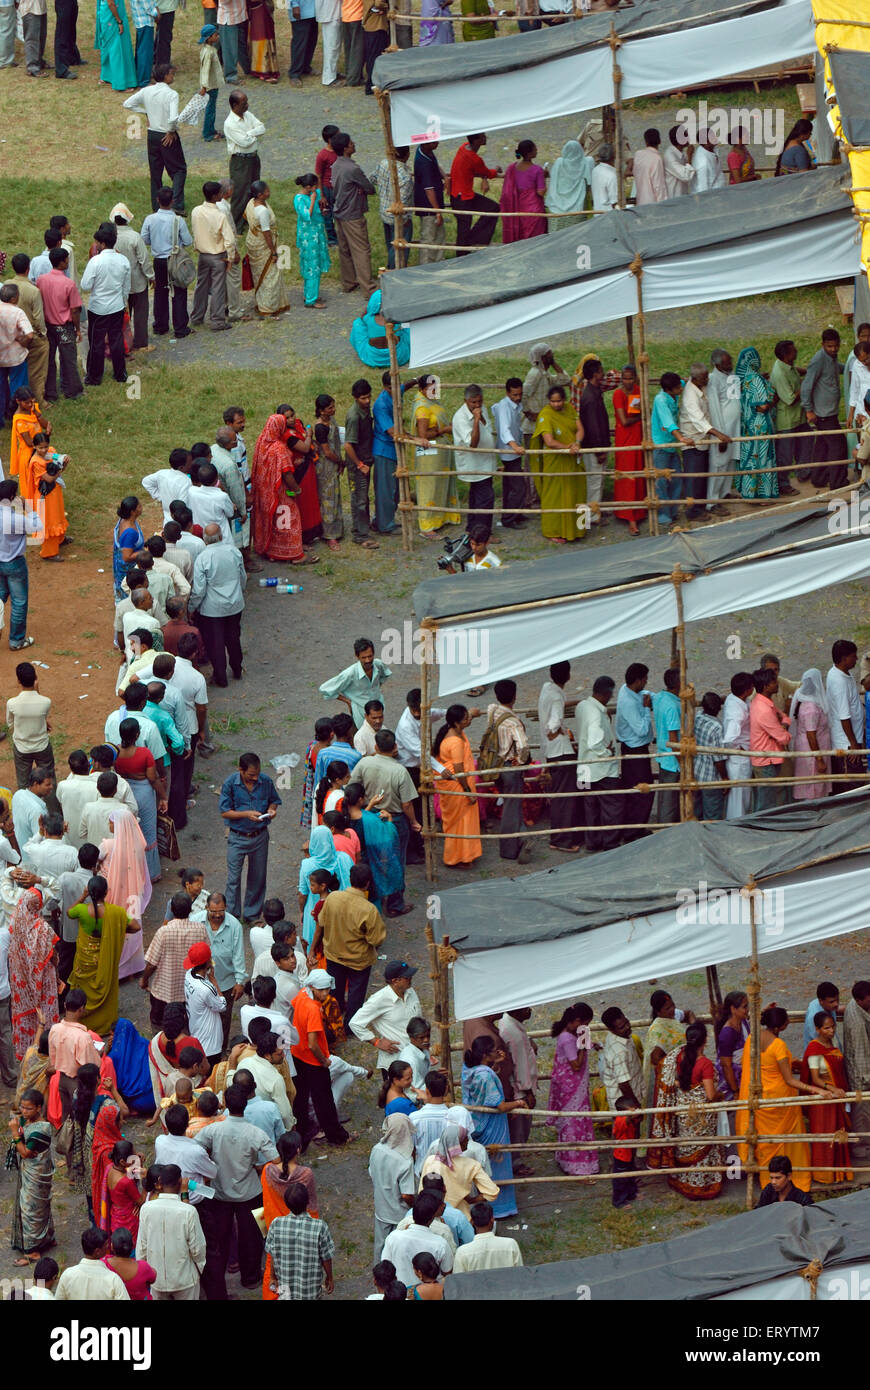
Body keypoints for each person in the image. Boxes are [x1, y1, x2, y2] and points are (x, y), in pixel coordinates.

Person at [736, 1005, 826, 1192]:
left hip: (760, 1102)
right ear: (780, 1027)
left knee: (767, 1143)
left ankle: (770, 1183)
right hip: (781, 1101)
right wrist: (816, 1089)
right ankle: (794, 1179)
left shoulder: (752, 1038)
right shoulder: (778, 1046)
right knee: (788, 1141)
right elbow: (789, 1080)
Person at [649, 1022, 724, 1199]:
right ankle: (703, 1185)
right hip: (700, 1116)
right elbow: (710, 1095)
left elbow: (677, 1082)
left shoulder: (679, 1058)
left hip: (683, 1113)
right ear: (705, 1040)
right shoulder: (704, 1064)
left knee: (686, 1143)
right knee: (704, 1146)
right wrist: (722, 1095)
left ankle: (682, 1180)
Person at [310, 862, 386, 1022]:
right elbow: (376, 939)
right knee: (355, 994)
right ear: (367, 883)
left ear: (350, 879)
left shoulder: (333, 898)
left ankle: (334, 1019)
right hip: (358, 960)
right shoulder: (369, 909)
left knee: (335, 990)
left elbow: (321, 921)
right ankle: (351, 1024)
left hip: (333, 955)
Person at [67, 877, 141, 1035]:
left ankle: (82, 1020)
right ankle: (103, 1024)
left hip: (84, 961)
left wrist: (82, 897)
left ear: (90, 892)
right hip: (104, 960)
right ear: (106, 892)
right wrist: (118, 929)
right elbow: (136, 926)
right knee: (105, 986)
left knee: (83, 988)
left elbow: (69, 913)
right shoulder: (116, 913)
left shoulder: (81, 910)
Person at [461, 1034, 523, 1218]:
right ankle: (500, 1206)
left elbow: (483, 1086)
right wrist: (519, 1103)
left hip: (477, 1120)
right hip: (493, 1124)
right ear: (487, 1054)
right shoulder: (485, 1075)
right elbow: (500, 1104)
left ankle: (483, 1202)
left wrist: (496, 1064)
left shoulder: (469, 1070)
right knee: (497, 1164)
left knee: (484, 1163)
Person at [290, 969, 353, 1148]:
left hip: (297, 1053)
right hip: (313, 1059)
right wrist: (324, 1060)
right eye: (321, 989)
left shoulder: (302, 994)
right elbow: (313, 1043)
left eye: (327, 989)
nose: (325, 993)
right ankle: (336, 1135)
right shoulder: (314, 1008)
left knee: (301, 1096)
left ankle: (302, 1131)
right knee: (324, 1100)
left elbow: (294, 1005)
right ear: (312, 987)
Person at [219, 751, 281, 924]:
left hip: (260, 836)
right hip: (237, 837)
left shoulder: (266, 781)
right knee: (233, 878)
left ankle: (252, 914)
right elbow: (225, 812)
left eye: (257, 774)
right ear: (241, 769)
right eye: (251, 775)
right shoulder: (230, 784)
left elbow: (274, 800)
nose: (255, 778)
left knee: (258, 876)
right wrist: (246, 814)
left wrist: (271, 810)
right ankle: (232, 916)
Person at [261, 1131, 319, 1299]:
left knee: (273, 1267)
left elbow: (266, 1197)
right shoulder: (305, 1174)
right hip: (301, 1229)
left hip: (276, 1228)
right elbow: (312, 1204)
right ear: (298, 1150)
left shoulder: (267, 1171)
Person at [135, 1162, 206, 1299]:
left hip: (157, 1279)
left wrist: (145, 1273)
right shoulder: (188, 1211)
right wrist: (199, 1268)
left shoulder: (146, 1209)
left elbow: (142, 1245)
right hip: (185, 1279)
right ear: (180, 1182)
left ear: (160, 1182)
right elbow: (198, 1248)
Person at [123, 63, 187, 213]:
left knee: (156, 172)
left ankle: (156, 205)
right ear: (165, 76)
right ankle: (176, 203)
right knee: (179, 170)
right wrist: (171, 131)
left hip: (152, 135)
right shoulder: (172, 94)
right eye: (171, 74)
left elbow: (128, 103)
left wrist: (145, 112)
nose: (173, 76)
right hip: (166, 134)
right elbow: (173, 118)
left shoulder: (146, 91)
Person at [140, 893, 208, 1026]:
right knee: (187, 1028)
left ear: (171, 909)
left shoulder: (163, 932)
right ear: (190, 909)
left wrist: (145, 979)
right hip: (191, 991)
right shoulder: (201, 930)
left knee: (159, 1028)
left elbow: (152, 964)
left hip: (164, 993)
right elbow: (207, 957)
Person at [530, 383, 585, 543]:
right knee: (553, 496)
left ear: (564, 399)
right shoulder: (545, 415)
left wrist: (577, 442)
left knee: (578, 492)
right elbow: (549, 441)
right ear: (548, 401)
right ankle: (552, 531)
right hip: (555, 461)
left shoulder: (570, 409)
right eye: (553, 401)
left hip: (573, 459)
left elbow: (580, 428)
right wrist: (568, 446)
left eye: (559, 401)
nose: (556, 404)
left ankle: (579, 529)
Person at [801, 1012, 851, 1183]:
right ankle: (824, 1175)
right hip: (822, 1100)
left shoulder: (833, 1042)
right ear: (817, 1029)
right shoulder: (814, 1049)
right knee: (825, 1135)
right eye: (826, 1028)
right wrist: (832, 1088)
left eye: (833, 1027)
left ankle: (838, 1174)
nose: (831, 1031)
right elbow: (815, 1079)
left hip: (835, 1097)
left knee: (838, 1132)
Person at [264, 1180, 334, 1301]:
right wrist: (330, 1277)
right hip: (310, 1291)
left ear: (286, 1203)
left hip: (285, 1290)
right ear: (307, 1202)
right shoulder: (319, 1227)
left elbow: (273, 1254)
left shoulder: (276, 1224)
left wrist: (273, 1276)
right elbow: (326, 1258)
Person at [9, 888, 58, 1059]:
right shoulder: (43, 928)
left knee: (28, 1018)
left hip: (22, 986)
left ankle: (28, 1055)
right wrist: (58, 979)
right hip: (44, 981)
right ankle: (47, 1054)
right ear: (38, 905)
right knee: (45, 1012)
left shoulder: (15, 925)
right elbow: (53, 957)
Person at [411, 374, 461, 537]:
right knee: (429, 486)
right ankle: (427, 525)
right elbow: (423, 434)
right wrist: (444, 430)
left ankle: (441, 518)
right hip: (429, 455)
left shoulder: (433, 402)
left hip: (440, 453)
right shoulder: (423, 408)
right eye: (431, 388)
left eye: (436, 388)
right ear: (422, 389)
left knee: (441, 484)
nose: (435, 391)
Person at [9, 1088, 55, 1265]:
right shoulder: (27, 1121)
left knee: (30, 1208)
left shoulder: (41, 1129)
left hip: (36, 1173)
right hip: (32, 1171)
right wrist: (19, 1130)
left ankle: (33, 1251)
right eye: (22, 1107)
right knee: (40, 1206)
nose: (24, 1111)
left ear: (38, 1108)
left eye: (28, 1108)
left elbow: (26, 1152)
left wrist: (14, 1133)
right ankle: (46, 1238)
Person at [349, 960, 421, 1073]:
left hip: (417, 1056)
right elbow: (355, 1023)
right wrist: (376, 1042)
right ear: (395, 981)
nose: (411, 978)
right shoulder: (379, 999)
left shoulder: (410, 991)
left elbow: (419, 1022)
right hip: (396, 1062)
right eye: (407, 977)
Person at [432, 705, 482, 866]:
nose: (469, 719)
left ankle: (462, 855)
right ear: (458, 723)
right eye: (466, 718)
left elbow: (466, 718)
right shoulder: (455, 742)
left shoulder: (451, 730)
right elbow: (459, 770)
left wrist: (472, 714)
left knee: (460, 823)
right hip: (458, 785)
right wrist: (468, 792)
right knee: (461, 823)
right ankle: (459, 857)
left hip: (453, 784)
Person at [140, 188, 192, 340]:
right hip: (175, 259)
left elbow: (144, 239)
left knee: (160, 293)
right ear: (172, 201)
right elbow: (188, 241)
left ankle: (161, 325)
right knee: (179, 292)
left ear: (157, 200)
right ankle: (180, 327)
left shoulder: (150, 219)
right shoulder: (178, 220)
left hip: (159, 260)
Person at [801, 328, 847, 491]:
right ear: (822, 345)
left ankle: (819, 478)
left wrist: (850, 367)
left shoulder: (831, 358)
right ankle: (838, 482)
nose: (833, 349)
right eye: (829, 346)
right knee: (838, 445)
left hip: (829, 412)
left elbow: (837, 368)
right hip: (823, 413)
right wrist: (809, 410)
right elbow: (806, 386)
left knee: (822, 445)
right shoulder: (819, 360)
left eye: (836, 346)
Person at [420, 1122, 500, 1216]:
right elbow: (492, 1192)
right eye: (465, 1139)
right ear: (457, 1143)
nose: (468, 1141)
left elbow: (422, 1190)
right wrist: (471, 1200)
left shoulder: (430, 1161)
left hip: (433, 1216)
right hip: (461, 1216)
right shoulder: (471, 1165)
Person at [330, 133, 376, 296]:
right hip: (353, 214)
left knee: (345, 249)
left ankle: (348, 281)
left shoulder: (336, 165)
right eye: (351, 143)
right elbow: (369, 188)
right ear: (345, 148)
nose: (353, 144)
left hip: (339, 212)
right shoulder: (353, 169)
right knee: (361, 250)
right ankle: (368, 288)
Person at [368, 1112, 415, 1260]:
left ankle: (379, 1275)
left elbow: (372, 1173)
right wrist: (415, 1205)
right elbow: (406, 1195)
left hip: (381, 1209)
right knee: (398, 1252)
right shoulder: (405, 1161)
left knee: (380, 1248)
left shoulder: (376, 1149)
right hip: (399, 1214)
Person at [190, 182, 236, 332]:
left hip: (203, 255)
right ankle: (217, 320)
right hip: (218, 256)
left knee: (201, 286)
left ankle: (197, 316)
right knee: (217, 288)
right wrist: (230, 257)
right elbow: (230, 239)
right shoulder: (220, 215)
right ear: (216, 196)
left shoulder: (196, 211)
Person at [734, 346, 778, 501]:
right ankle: (763, 495)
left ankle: (749, 493)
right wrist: (771, 400)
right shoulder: (755, 379)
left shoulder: (741, 380)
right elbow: (762, 406)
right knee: (763, 459)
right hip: (760, 426)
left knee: (751, 458)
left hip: (747, 426)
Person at [381, 1190, 452, 1286]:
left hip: (398, 1293)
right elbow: (447, 1273)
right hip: (429, 1294)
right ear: (432, 1218)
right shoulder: (440, 1244)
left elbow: (385, 1266)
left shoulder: (393, 1237)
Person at [244, 180, 290, 317]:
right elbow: (266, 233)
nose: (269, 192)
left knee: (259, 275)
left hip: (253, 241)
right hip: (264, 246)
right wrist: (274, 252)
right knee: (270, 276)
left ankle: (264, 303)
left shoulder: (251, 202)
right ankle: (268, 307)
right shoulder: (263, 211)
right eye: (267, 191)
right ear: (260, 195)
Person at [449, 133, 502, 255]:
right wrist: (496, 170)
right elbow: (487, 172)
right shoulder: (474, 158)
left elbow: (477, 169)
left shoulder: (464, 147)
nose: (485, 138)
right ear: (477, 141)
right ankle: (464, 254)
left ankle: (472, 240)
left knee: (492, 208)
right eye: (482, 137)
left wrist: (483, 177)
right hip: (463, 198)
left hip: (459, 195)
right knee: (463, 231)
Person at [748, 666, 791, 810]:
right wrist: (784, 726)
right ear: (766, 686)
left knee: (765, 798)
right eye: (773, 682)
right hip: (766, 761)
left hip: (766, 758)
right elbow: (784, 738)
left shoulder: (762, 703)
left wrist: (783, 723)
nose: (777, 684)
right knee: (766, 801)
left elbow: (784, 717)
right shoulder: (764, 710)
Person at [611, 362, 645, 534]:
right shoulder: (618, 394)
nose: (628, 382)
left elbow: (635, 412)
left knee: (639, 474)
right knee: (627, 477)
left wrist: (639, 418)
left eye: (630, 378)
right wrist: (641, 419)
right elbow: (625, 420)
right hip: (625, 440)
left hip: (637, 438)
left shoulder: (637, 391)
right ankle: (629, 516)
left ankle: (639, 511)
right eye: (625, 378)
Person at [827, 639, 865, 791]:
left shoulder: (841, 673)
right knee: (852, 785)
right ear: (844, 659)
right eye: (853, 656)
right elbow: (844, 717)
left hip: (851, 739)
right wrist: (853, 744)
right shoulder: (839, 682)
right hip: (847, 744)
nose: (856, 659)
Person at [706, 348, 742, 506]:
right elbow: (713, 410)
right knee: (718, 465)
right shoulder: (713, 380)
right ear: (717, 365)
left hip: (735, 428)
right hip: (722, 430)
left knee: (730, 462)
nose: (731, 364)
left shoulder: (731, 374)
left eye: (730, 361)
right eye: (727, 363)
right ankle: (712, 502)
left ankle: (725, 493)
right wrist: (719, 435)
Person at [224, 92, 264, 231]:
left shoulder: (248, 115)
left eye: (246, 102)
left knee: (254, 189)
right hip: (240, 161)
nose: (247, 105)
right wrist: (254, 134)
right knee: (240, 192)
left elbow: (262, 128)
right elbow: (244, 142)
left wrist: (249, 134)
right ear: (235, 105)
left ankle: (249, 218)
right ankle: (236, 225)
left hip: (253, 158)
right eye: (243, 104)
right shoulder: (230, 123)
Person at [789, 668, 832, 800]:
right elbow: (811, 735)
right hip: (812, 753)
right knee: (813, 785)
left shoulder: (806, 700)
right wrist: (819, 760)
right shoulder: (811, 709)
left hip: (812, 749)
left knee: (813, 784)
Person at [55, 1227, 131, 1300]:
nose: (108, 1246)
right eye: (106, 1244)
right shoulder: (113, 1280)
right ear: (97, 1251)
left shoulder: (67, 1275)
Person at [642, 989, 687, 1108]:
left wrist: (693, 1024)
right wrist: (675, 1065)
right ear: (658, 1011)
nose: (672, 1010)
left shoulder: (673, 1016)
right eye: (667, 1008)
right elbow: (655, 1058)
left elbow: (688, 1014)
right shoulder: (657, 1030)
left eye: (672, 1005)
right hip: (669, 1078)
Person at [451, 1199, 522, 1273]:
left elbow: (458, 1280)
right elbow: (520, 1273)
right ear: (492, 1220)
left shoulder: (462, 1252)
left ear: (472, 1221)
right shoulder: (510, 1244)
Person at [293, 174, 330, 310]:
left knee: (316, 264)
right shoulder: (299, 199)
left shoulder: (316, 193)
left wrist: (322, 208)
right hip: (308, 237)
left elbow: (318, 210)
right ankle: (310, 299)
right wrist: (313, 200)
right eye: (314, 186)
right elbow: (306, 215)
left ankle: (310, 293)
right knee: (311, 266)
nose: (316, 189)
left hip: (317, 234)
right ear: (308, 186)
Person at [843, 981, 870, 1165]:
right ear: (860, 1000)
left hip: (861, 1069)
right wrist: (867, 1079)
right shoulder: (857, 1024)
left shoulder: (855, 1005)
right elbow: (861, 1055)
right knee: (862, 1112)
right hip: (861, 1076)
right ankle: (861, 1149)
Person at [500, 140, 548, 242]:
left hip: (518, 209)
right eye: (535, 149)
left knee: (521, 239)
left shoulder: (512, 168)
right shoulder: (537, 170)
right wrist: (544, 177)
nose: (537, 150)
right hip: (534, 211)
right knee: (536, 240)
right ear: (530, 153)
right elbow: (541, 192)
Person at [599, 1005, 642, 1113]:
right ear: (611, 1029)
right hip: (626, 1107)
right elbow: (623, 1084)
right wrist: (636, 1107)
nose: (627, 1027)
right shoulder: (619, 1052)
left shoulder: (623, 1036)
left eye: (627, 1023)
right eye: (622, 1027)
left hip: (632, 1096)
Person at [723, 671, 753, 820]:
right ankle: (737, 824)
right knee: (740, 796)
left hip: (741, 756)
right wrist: (738, 749)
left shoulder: (734, 699)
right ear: (748, 690)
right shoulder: (737, 713)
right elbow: (730, 737)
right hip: (739, 759)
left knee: (741, 795)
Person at [714, 991, 750, 1110]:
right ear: (733, 1009)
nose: (748, 1009)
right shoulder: (728, 1033)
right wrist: (735, 1091)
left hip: (743, 1075)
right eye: (745, 1007)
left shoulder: (743, 1022)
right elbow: (726, 1065)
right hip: (731, 1080)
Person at [546, 139, 594, 221]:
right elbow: (589, 182)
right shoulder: (585, 163)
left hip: (557, 206)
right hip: (578, 208)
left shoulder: (559, 163)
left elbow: (553, 181)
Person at [95, 0, 136, 89]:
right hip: (112, 17)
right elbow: (111, 3)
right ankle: (119, 84)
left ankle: (106, 76)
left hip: (106, 15)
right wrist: (119, 21)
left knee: (108, 47)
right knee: (116, 49)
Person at [803, 982, 841, 1052]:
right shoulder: (814, 1018)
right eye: (832, 1002)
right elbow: (822, 1043)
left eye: (837, 1000)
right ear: (821, 1001)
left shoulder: (827, 1005)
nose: (836, 1004)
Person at [633, 128, 666, 204]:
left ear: (646, 141)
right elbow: (658, 185)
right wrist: (663, 204)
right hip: (652, 204)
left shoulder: (638, 154)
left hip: (640, 200)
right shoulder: (656, 158)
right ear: (659, 141)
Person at [662, 124, 695, 200]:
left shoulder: (680, 153)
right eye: (686, 135)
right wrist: (690, 155)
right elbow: (685, 176)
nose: (689, 137)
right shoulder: (670, 155)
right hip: (674, 198)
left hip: (682, 196)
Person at [248, 0, 278, 78]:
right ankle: (261, 70)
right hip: (256, 9)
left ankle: (269, 68)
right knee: (260, 37)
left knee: (266, 36)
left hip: (264, 8)